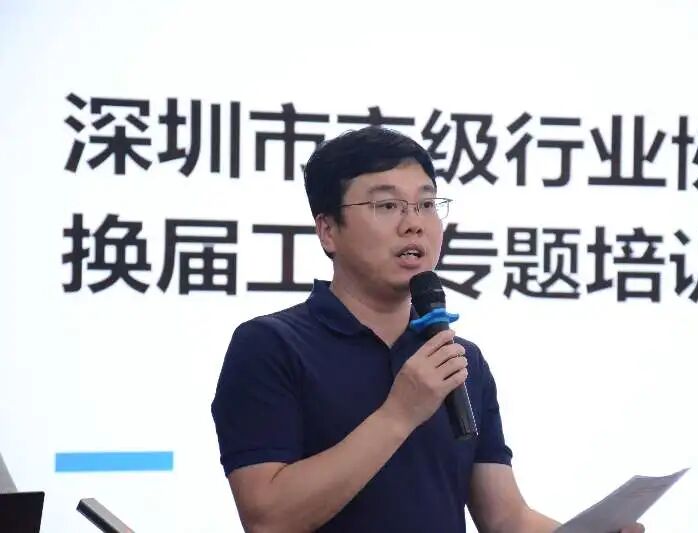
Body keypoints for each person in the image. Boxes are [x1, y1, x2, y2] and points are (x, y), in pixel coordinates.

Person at [211, 126, 644, 533]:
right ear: (328, 231)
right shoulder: (270, 345)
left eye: (426, 204)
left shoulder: (458, 358)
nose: (413, 223)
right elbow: (268, 518)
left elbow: (505, 517)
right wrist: (399, 414)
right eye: (387, 206)